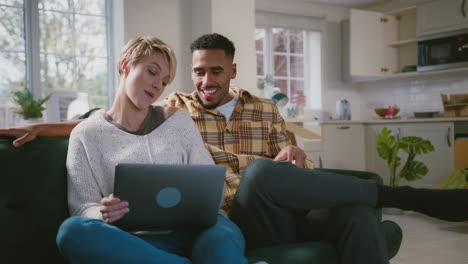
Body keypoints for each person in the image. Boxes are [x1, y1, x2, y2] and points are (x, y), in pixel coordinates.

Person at [2, 33, 468, 264]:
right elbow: (107, 122)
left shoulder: (259, 110)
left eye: (215, 72)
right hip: (214, 219)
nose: (203, 81)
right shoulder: (172, 108)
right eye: (197, 72)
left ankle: (389, 197)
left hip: (256, 210)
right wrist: (45, 127)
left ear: (232, 71)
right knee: (259, 176)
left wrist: (298, 156)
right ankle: (402, 196)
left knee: (345, 209)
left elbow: (291, 158)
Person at [53, 36, 248, 264]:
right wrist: (102, 213)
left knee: (220, 244)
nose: (158, 85)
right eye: (152, 72)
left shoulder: (178, 122)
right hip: (134, 241)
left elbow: (213, 189)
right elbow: (81, 208)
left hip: (202, 231)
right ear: (125, 65)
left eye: (165, 81)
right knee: (72, 232)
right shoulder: (86, 134)